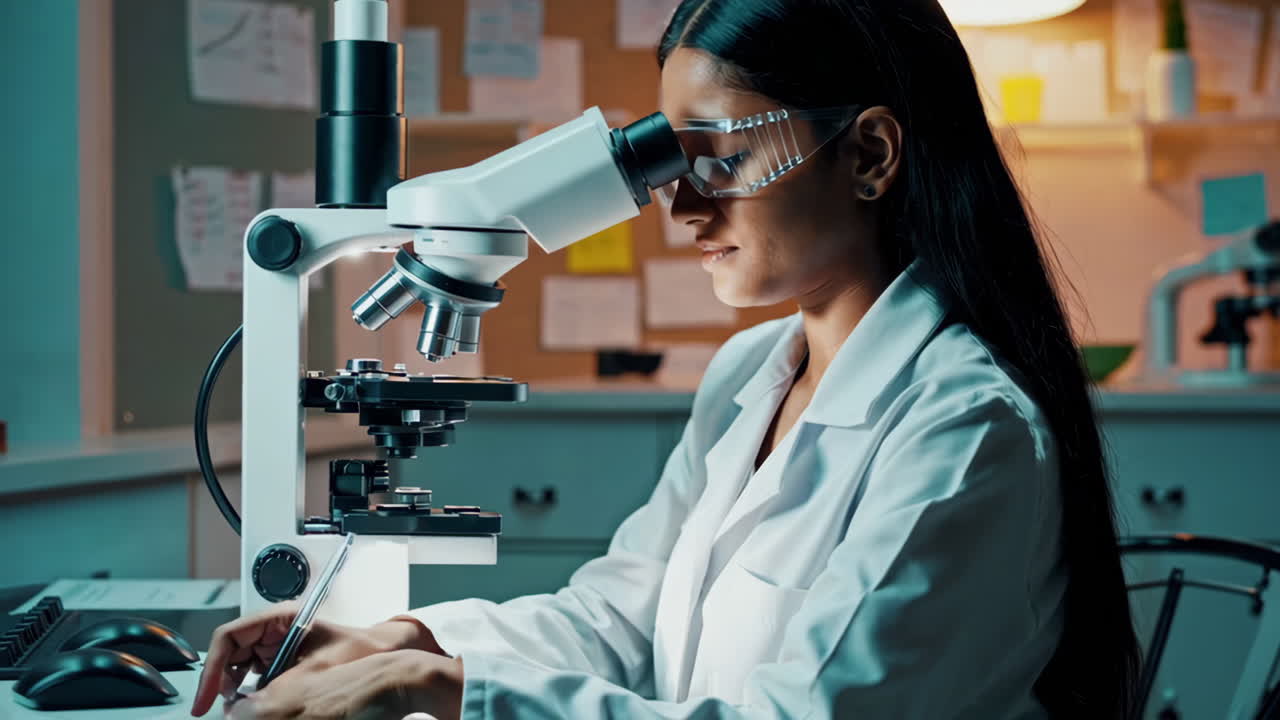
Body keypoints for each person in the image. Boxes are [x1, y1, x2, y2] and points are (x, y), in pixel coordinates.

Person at [193, 1, 1141, 717]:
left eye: (717, 155)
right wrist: (407, 640)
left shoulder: (965, 431)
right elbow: (623, 617)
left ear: (869, 155)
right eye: (667, 164)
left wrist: (449, 692)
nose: (683, 208)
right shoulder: (751, 374)